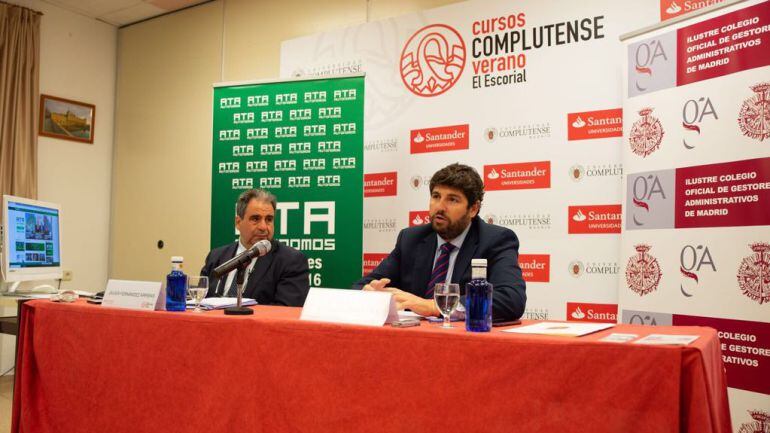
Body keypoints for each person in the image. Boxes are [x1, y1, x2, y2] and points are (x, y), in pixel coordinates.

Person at [353, 163, 526, 321]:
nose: (440, 207)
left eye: (452, 199)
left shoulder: (495, 240)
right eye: (436, 196)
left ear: (473, 209)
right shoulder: (411, 239)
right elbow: (362, 286)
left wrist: (434, 306)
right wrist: (370, 294)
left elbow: (511, 299)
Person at [201, 189, 309, 306]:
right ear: (238, 222)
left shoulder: (291, 261)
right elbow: (199, 300)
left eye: (269, 219)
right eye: (255, 219)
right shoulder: (216, 256)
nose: (263, 227)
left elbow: (286, 311)